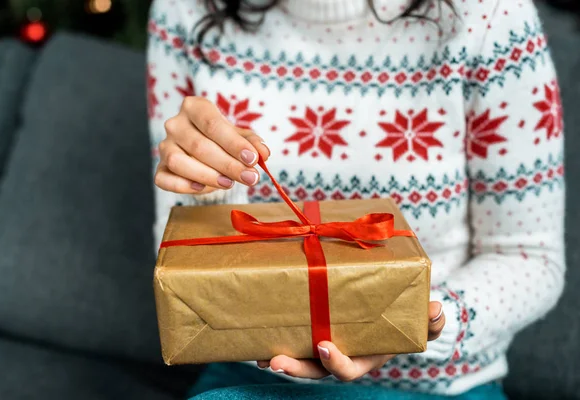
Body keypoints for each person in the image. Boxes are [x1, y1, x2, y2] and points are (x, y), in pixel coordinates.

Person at [147, 0, 565, 398]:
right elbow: (177, 260)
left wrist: (412, 320)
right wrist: (209, 183)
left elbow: (531, 256)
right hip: (247, 373)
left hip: (440, 386)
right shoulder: (187, 9)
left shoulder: (490, 14)